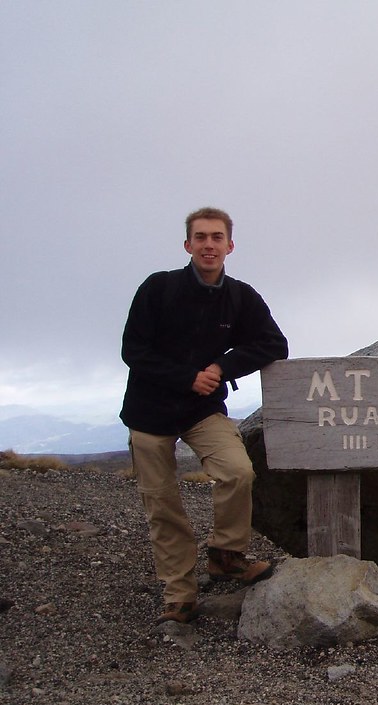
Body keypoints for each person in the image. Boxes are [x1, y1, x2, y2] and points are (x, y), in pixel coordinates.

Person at [120, 207, 289, 624]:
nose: (209, 245)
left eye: (217, 237)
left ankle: (226, 555)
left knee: (238, 472)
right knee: (162, 503)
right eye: (201, 237)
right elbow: (134, 351)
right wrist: (186, 377)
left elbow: (273, 344)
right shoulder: (157, 289)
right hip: (149, 412)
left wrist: (221, 368)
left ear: (230, 245)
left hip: (202, 410)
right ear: (188, 245)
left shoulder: (241, 296)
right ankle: (179, 594)